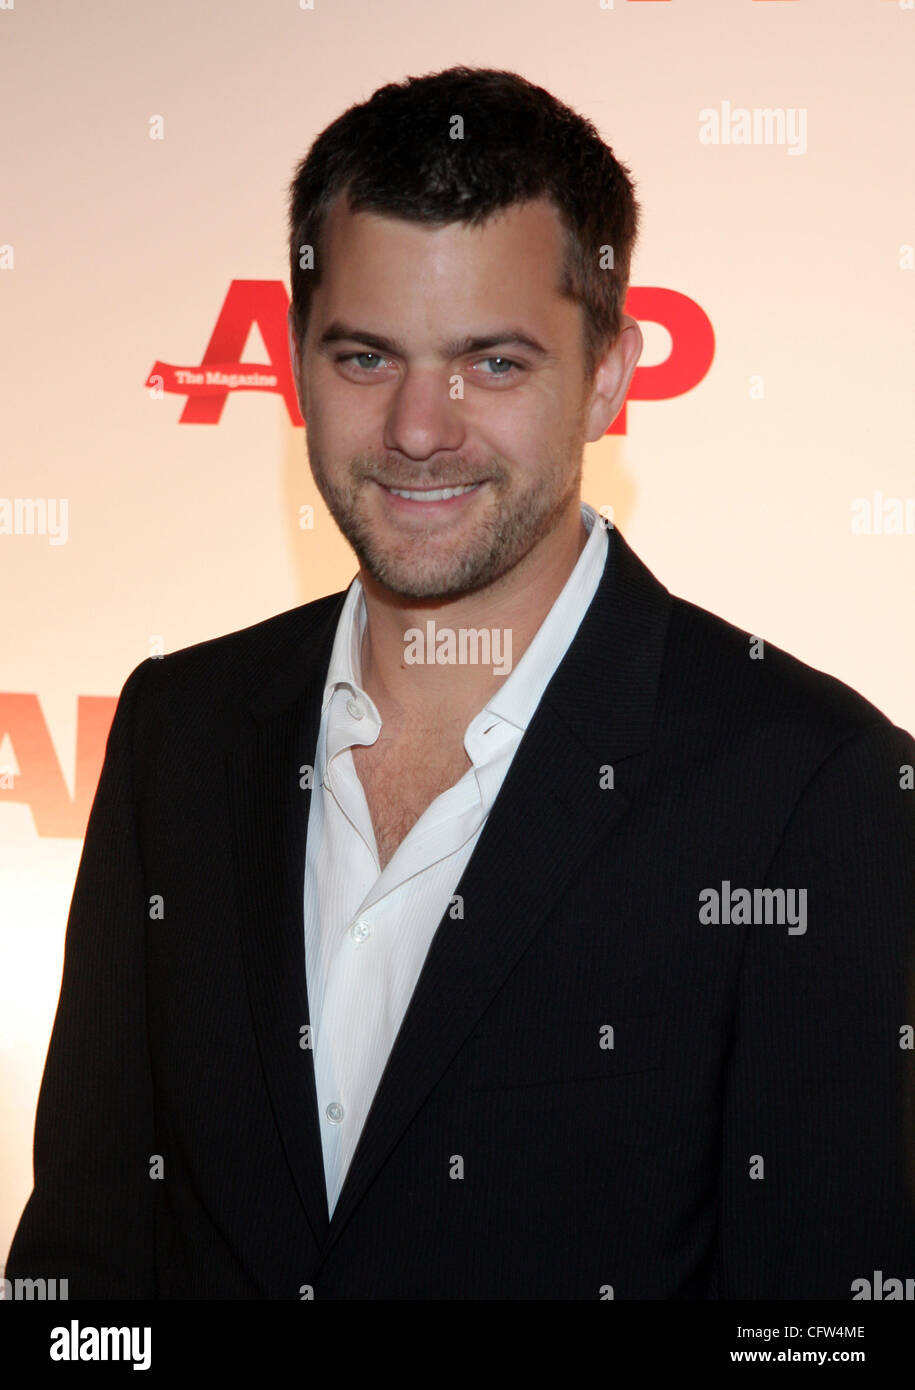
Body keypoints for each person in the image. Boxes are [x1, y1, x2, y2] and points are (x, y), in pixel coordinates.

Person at [7, 65, 914, 1300]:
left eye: (492, 364)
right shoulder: (180, 731)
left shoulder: (813, 789)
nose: (420, 429)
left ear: (607, 373)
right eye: (368, 355)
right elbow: (83, 1278)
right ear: (292, 363)